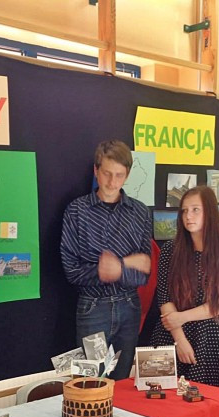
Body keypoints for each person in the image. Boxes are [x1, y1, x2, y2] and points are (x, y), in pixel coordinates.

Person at [61, 140, 152, 380]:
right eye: (107, 174)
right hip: (93, 307)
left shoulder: (140, 212)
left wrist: (117, 268)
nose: (112, 182)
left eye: (119, 175)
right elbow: (71, 270)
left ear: (128, 175)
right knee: (91, 382)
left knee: (121, 382)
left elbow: (144, 271)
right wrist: (113, 268)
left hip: (129, 307)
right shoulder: (76, 211)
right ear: (96, 170)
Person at [151, 185, 219, 388]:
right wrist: (179, 340)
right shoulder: (170, 250)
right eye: (184, 210)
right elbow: (164, 297)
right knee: (162, 399)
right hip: (172, 333)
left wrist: (181, 317)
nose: (188, 216)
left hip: (211, 339)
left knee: (209, 400)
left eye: (195, 210)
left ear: (209, 212)